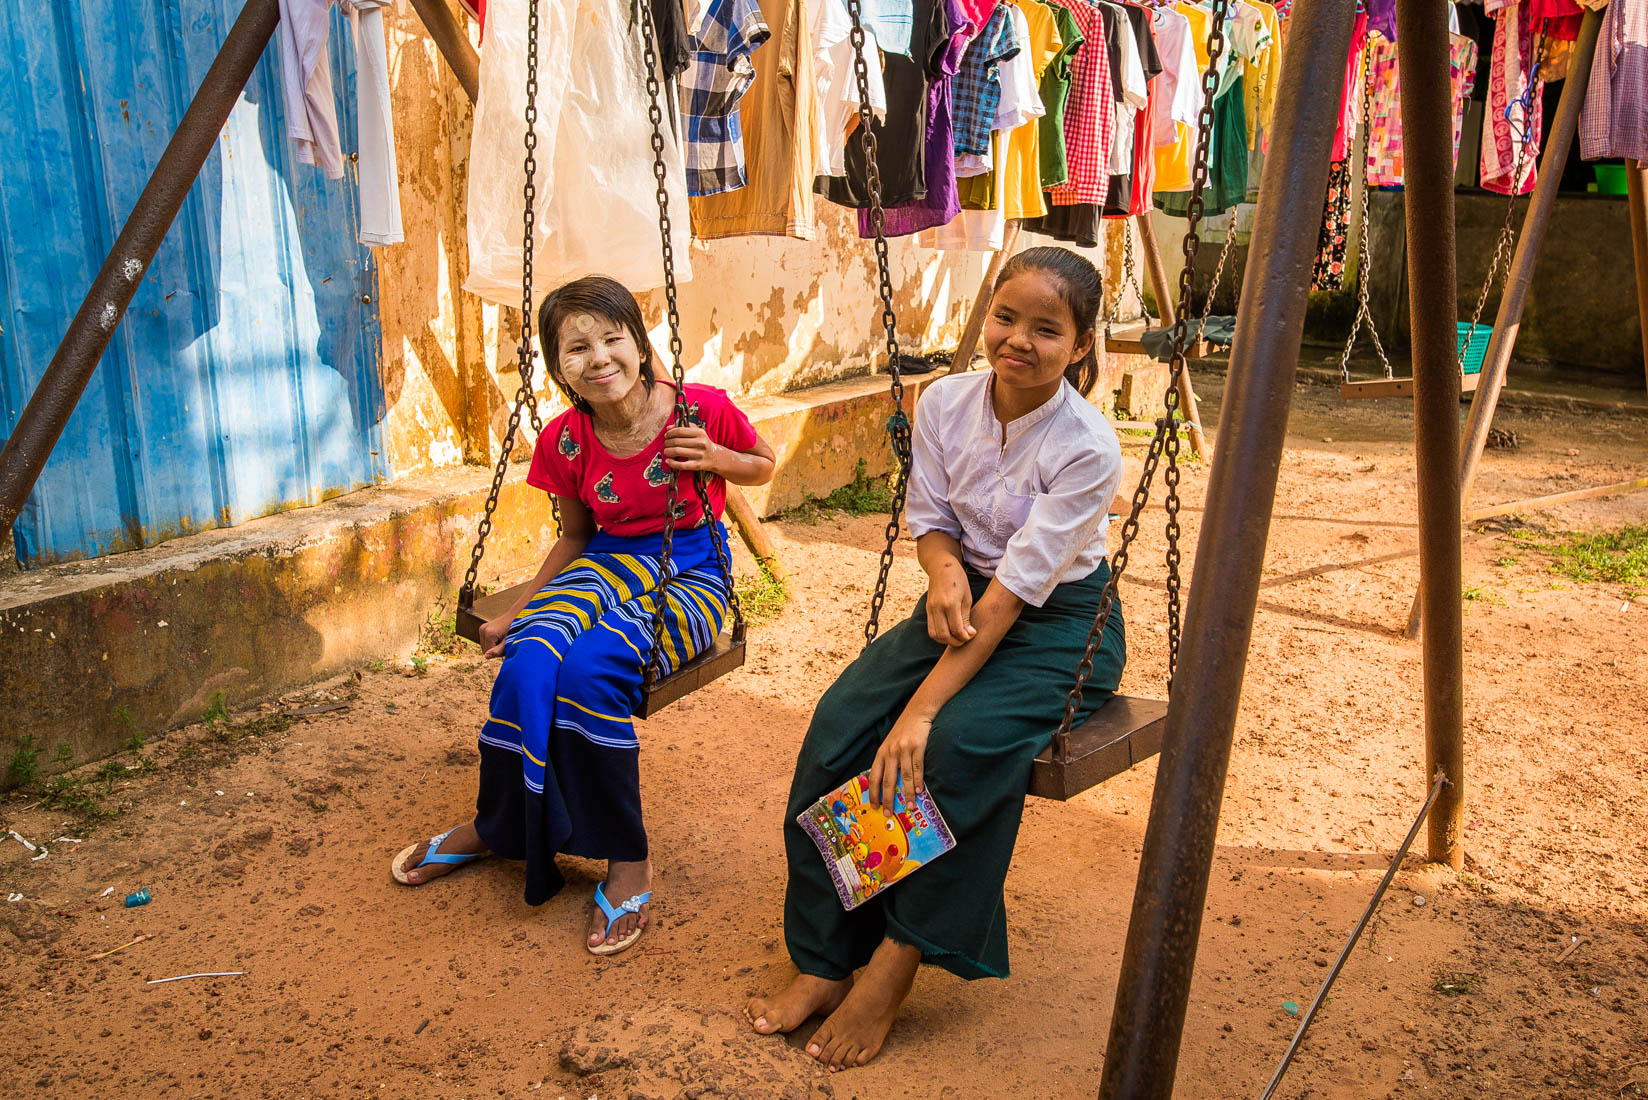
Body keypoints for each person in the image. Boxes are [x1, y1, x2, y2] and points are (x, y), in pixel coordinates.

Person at [746, 246, 1126, 1068]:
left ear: (1081, 346)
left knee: (952, 751)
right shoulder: (947, 402)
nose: (1018, 339)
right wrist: (943, 568)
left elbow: (1012, 599)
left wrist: (920, 713)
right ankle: (825, 958)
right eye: (1005, 317)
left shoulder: (1087, 446)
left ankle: (894, 961)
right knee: (839, 730)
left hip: (1059, 627)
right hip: (963, 599)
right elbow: (931, 518)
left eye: (1047, 329)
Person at [392, 274, 775, 957]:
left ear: (639, 343)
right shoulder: (564, 439)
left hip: (691, 567)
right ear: (557, 366)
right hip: (605, 560)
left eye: (611, 339)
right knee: (529, 659)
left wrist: (716, 458)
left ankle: (627, 856)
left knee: (592, 671)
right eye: (576, 348)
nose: (599, 358)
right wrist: (523, 610)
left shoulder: (700, 409)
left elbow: (761, 464)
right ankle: (498, 824)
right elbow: (575, 536)